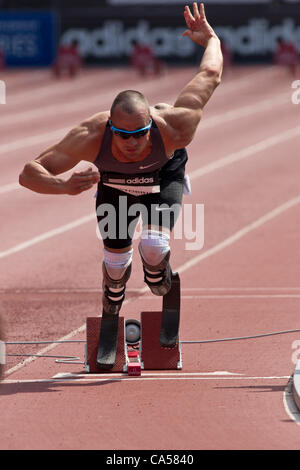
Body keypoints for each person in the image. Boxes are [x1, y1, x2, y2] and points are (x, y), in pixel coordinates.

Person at [19, 3, 223, 320]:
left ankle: (158, 272)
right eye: (122, 135)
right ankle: (113, 288)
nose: (131, 142)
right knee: (115, 266)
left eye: (139, 134)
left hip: (162, 175)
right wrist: (61, 185)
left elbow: (209, 74)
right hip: (114, 182)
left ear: (151, 126)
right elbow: (29, 173)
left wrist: (212, 40)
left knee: (153, 247)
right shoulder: (90, 135)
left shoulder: (175, 128)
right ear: (110, 127)